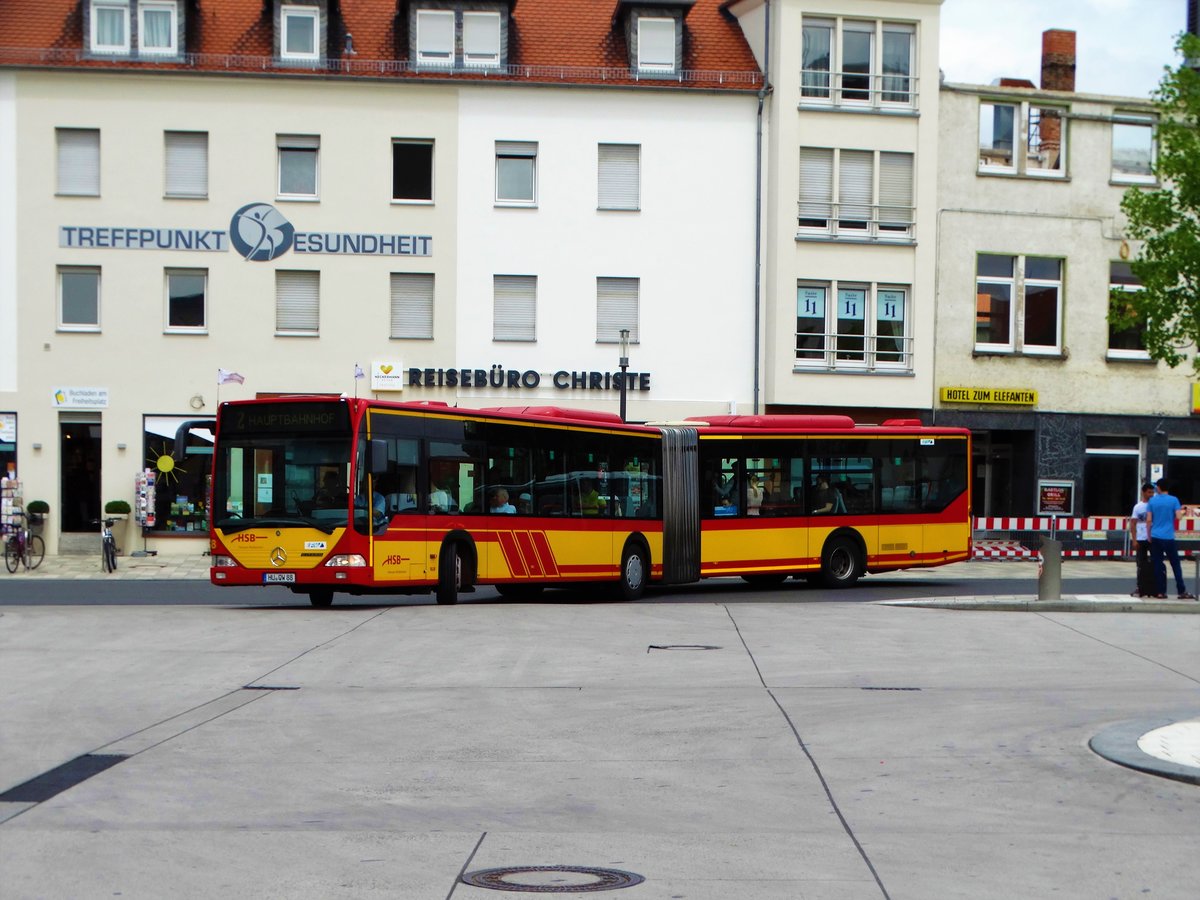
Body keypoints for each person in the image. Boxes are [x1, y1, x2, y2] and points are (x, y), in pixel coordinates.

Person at [1145, 478, 1197, 599]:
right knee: (1175, 564)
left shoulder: (1152, 501)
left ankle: (1160, 592)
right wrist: (1183, 512)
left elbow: (1148, 520)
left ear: (1158, 487)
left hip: (1155, 536)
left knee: (1158, 564)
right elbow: (1178, 517)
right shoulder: (1174, 500)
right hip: (1169, 537)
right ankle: (1181, 590)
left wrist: (1149, 536)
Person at [1128, 483, 1155, 598]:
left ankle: (1155, 587)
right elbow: (1133, 524)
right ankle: (1140, 587)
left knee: (1155, 563)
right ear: (1143, 492)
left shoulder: (1155, 505)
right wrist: (1134, 540)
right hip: (1141, 539)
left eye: (1152, 492)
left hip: (1153, 539)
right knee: (1140, 564)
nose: (1151, 494)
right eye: (1149, 492)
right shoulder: (1138, 507)